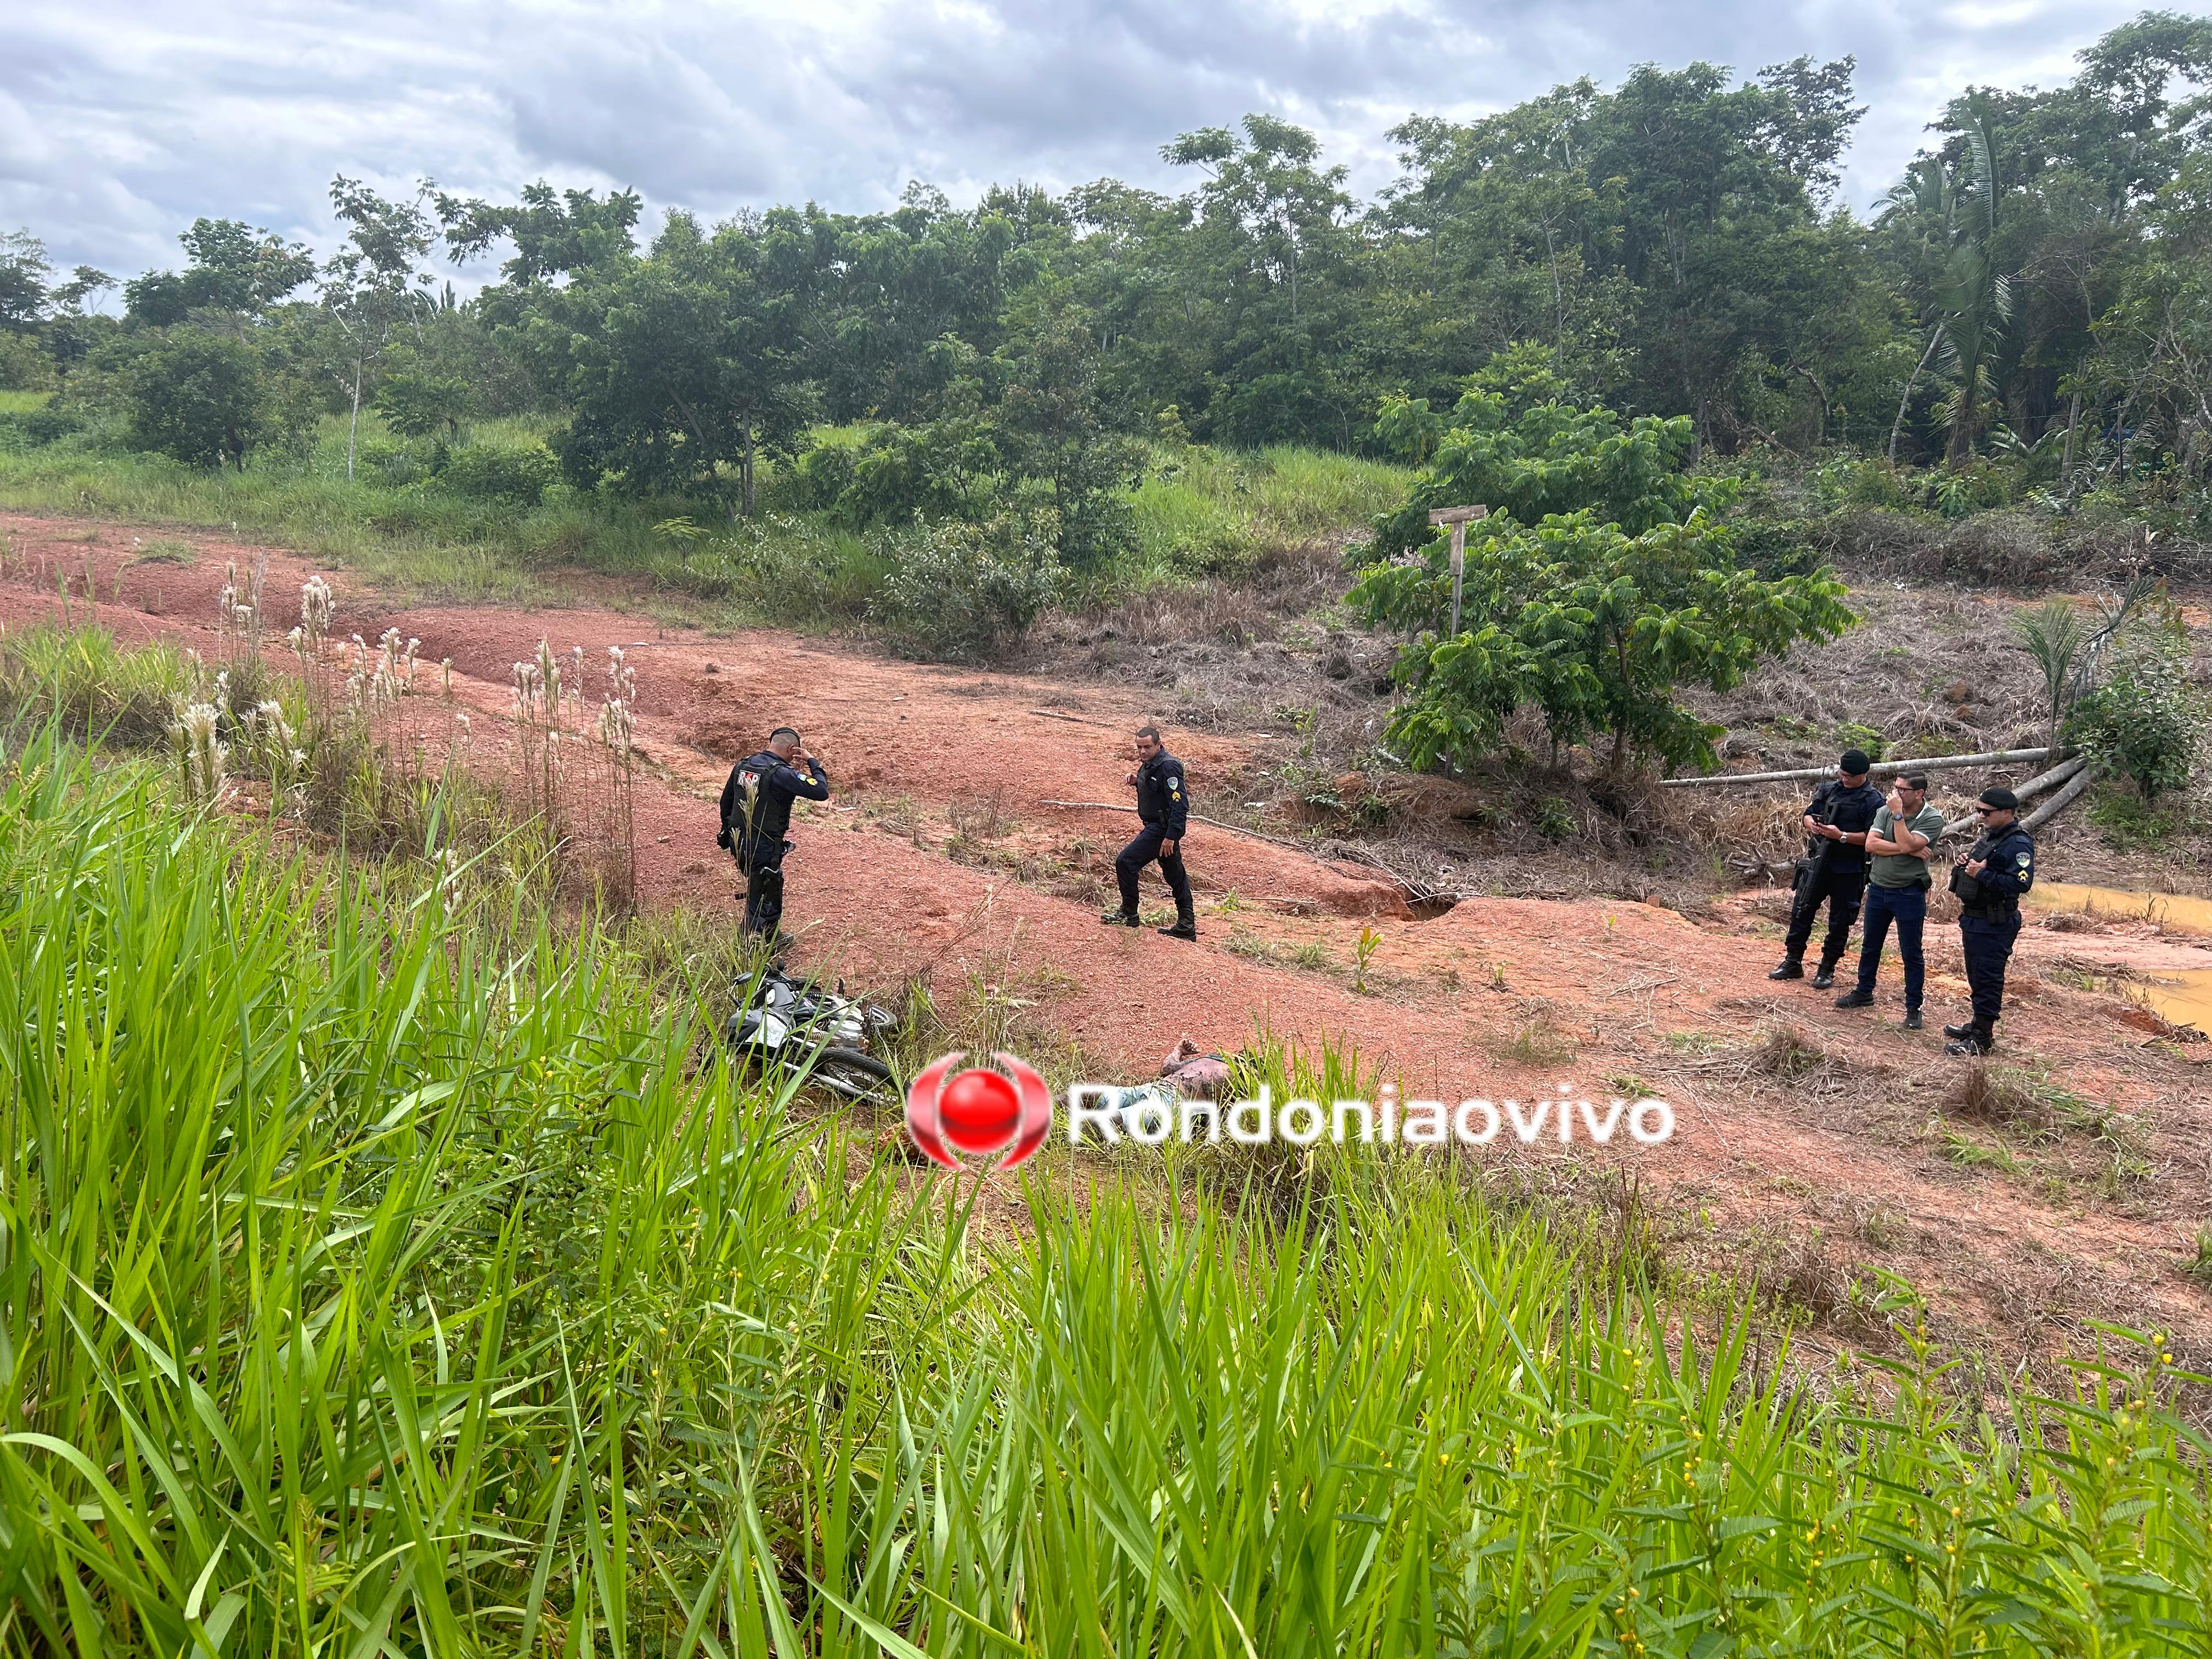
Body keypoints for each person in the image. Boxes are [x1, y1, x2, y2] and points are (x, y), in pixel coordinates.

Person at [1832, 771, 1944, 1029]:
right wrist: (1907, 849)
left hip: (1908, 892)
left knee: (1911, 952)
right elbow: (1871, 845)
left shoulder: (1931, 818)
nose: (1895, 794)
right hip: (1879, 889)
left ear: (1919, 794)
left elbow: (1906, 840)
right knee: (1871, 945)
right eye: (1895, 788)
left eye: (1902, 790)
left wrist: (1898, 818)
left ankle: (1913, 1007)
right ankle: (1864, 991)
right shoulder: (1885, 810)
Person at [1769, 749, 1885, 989]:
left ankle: (1827, 968)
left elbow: (1873, 838)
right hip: (1819, 861)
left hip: (1849, 868)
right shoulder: (1829, 789)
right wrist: (1811, 823)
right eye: (1841, 774)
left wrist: (1841, 836)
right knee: (1802, 910)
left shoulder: (1873, 800)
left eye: (1849, 777)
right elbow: (1809, 813)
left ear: (1863, 775)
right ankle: (1793, 961)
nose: (1844, 779)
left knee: (1840, 921)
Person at [1944, 786, 2036, 1056]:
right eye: (1978, 811)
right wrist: (1967, 863)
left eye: (1986, 812)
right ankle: (1976, 1026)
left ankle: (1982, 1039)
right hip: (1976, 918)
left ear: (2006, 813)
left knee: (1988, 978)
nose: (1980, 816)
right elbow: (1981, 867)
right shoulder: (1994, 837)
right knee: (1977, 975)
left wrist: (1980, 875)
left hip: (1995, 921)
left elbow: (2022, 883)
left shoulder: (2017, 843)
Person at [718, 727, 830, 945]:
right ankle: (748, 947)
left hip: (738, 840)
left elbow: (726, 802)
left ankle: (770, 935)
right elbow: (821, 791)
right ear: (791, 749)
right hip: (764, 844)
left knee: (770, 883)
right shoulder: (782, 773)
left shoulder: (744, 765)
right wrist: (811, 761)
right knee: (762, 888)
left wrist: (727, 832)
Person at [1101, 724, 1197, 940]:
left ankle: (1129, 914)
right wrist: (1138, 782)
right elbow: (1157, 791)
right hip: (1157, 827)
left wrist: (1171, 836)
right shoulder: (1149, 764)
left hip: (1161, 829)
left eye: (1147, 747)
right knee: (1175, 875)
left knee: (1126, 862)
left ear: (1159, 745)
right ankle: (1186, 924)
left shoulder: (1169, 767)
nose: (1143, 752)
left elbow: (1179, 805)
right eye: (1139, 748)